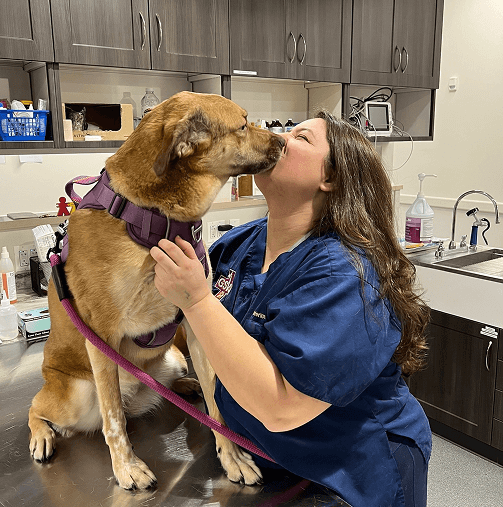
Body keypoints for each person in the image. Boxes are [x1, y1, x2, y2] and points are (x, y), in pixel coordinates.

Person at [150, 110, 432, 507]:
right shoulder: (237, 246)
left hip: (347, 471)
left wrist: (197, 300)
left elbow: (283, 406)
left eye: (301, 137)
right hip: (265, 456)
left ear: (329, 178)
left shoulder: (347, 273)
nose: (278, 138)